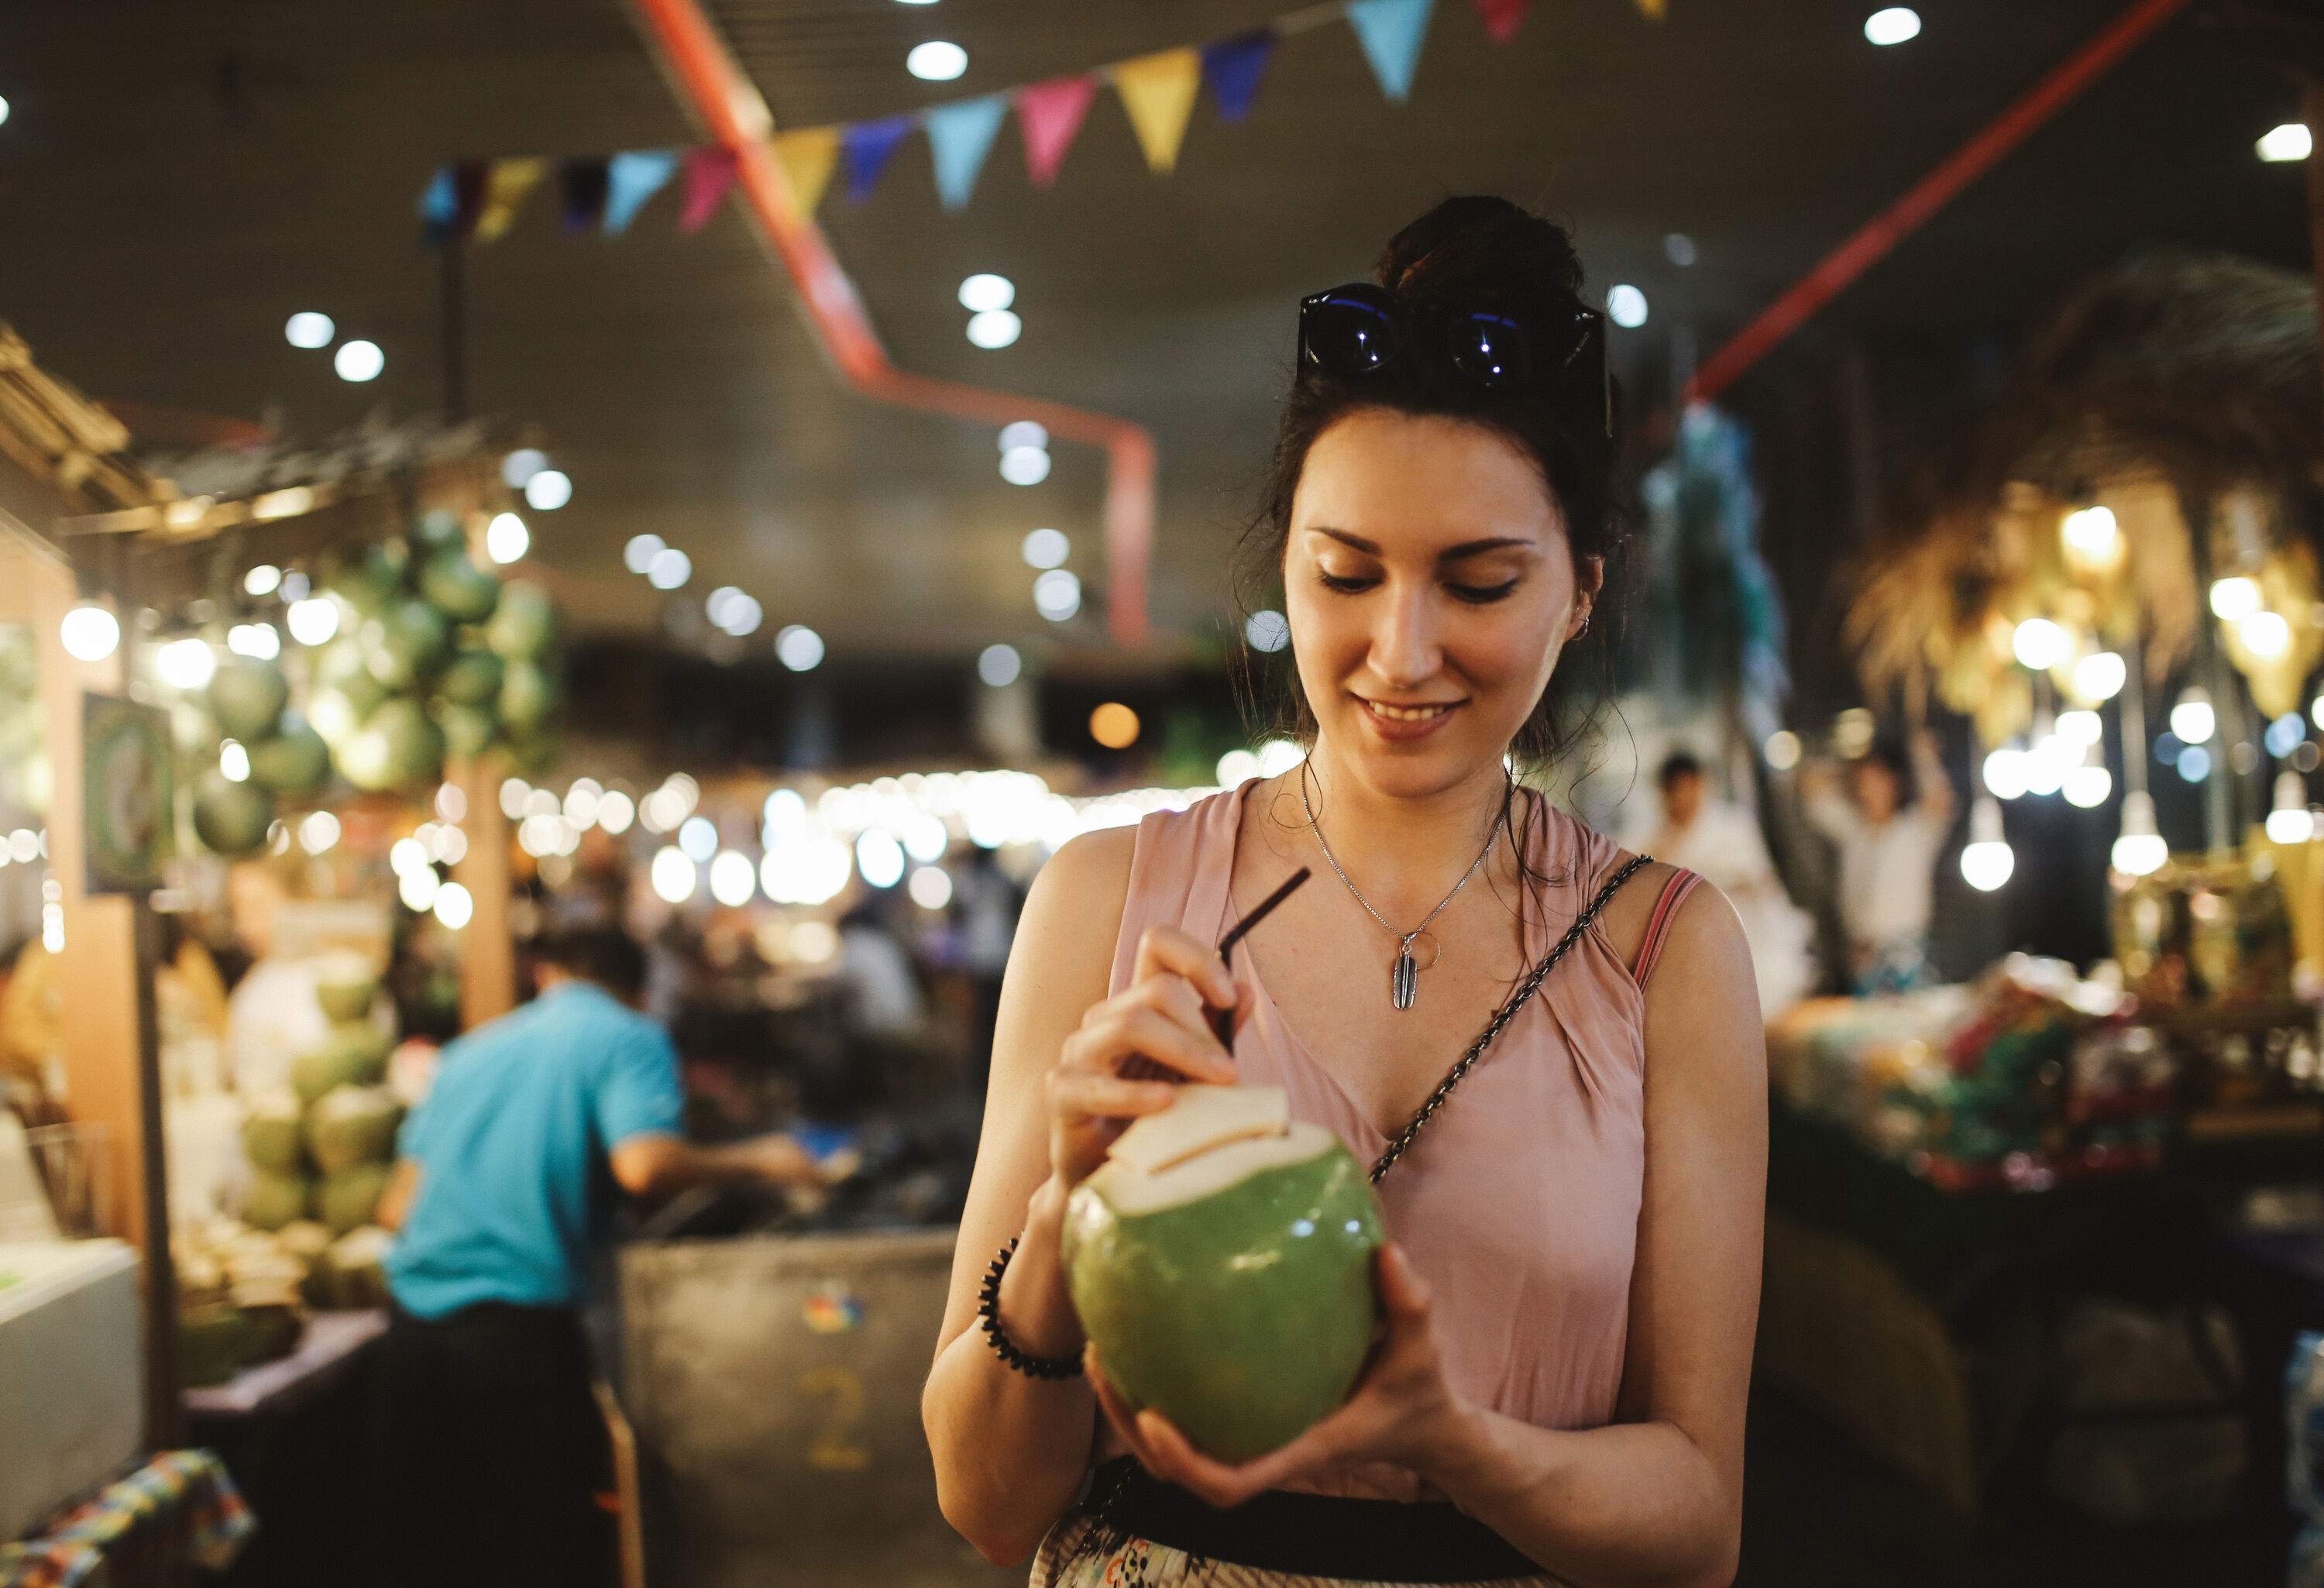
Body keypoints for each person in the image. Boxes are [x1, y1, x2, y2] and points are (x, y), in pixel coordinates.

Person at [923, 198, 1766, 1588]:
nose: (1402, 649)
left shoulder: (1663, 953)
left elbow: (1697, 1525)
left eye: (1481, 582)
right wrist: (1062, 1230)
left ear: (1578, 595)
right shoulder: (1110, 900)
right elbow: (983, 1499)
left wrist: (1455, 1440)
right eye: (1347, 576)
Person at [372, 926, 834, 1588]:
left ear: (548, 977)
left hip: (411, 1336)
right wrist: (761, 1160)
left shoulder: (469, 1053)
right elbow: (642, 1165)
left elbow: (395, 1208)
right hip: (515, 1334)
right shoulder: (626, 1034)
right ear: (637, 991)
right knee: (540, 1551)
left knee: (433, 1551)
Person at [1629, 751, 1814, 1016]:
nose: (1685, 798)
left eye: (1691, 787)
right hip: (1688, 955)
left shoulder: (1732, 826)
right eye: (1677, 790)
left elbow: (1758, 880)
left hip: (1747, 944)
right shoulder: (1653, 837)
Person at [1799, 730, 1954, 995]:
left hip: (1906, 953)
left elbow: (1941, 801)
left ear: (1893, 783)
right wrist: (1845, 769)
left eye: (1875, 781)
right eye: (1862, 783)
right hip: (1862, 955)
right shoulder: (1852, 832)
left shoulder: (1914, 831)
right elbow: (1813, 791)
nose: (1866, 791)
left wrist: (1924, 759)